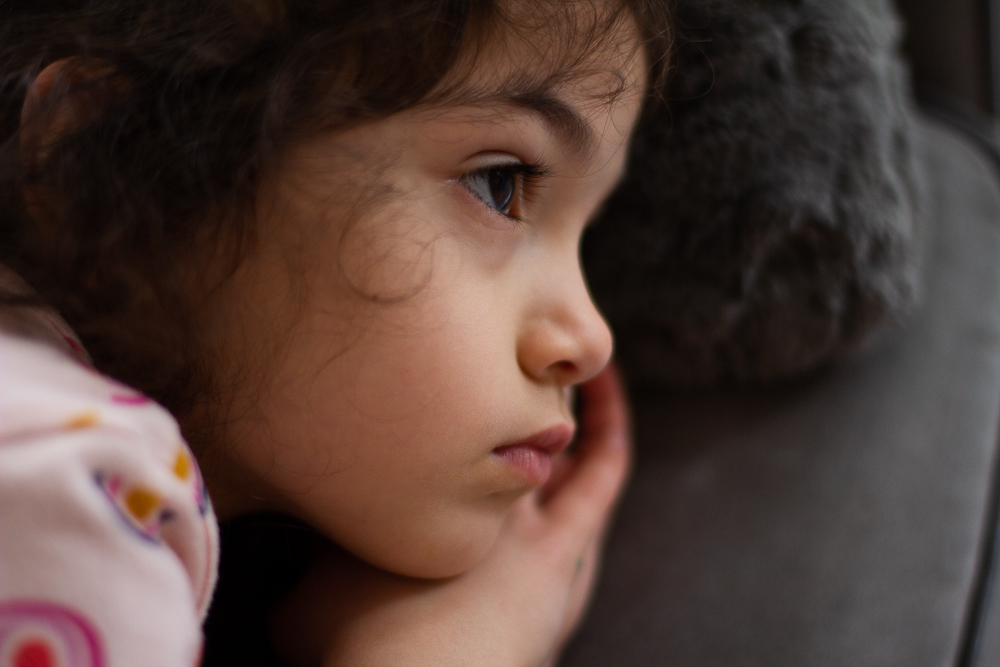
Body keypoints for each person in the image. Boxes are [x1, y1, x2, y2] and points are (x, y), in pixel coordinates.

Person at [0, 1, 670, 665]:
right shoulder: (60, 482)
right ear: (121, 149)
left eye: (586, 234)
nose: (593, 338)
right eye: (500, 184)